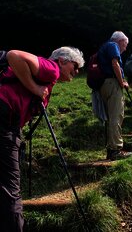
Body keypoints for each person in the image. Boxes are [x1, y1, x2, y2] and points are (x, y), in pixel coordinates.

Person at [0, 46, 84, 232]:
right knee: (10, 189)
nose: (77, 72)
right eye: (75, 66)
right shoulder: (51, 68)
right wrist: (36, 88)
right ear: (62, 60)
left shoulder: (48, 77)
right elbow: (14, 55)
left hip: (8, 123)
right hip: (4, 122)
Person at [97, 31, 132, 160]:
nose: (125, 47)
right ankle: (115, 150)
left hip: (104, 84)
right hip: (112, 83)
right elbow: (115, 64)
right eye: (125, 44)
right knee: (116, 116)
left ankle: (111, 148)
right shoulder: (113, 45)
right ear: (120, 41)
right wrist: (122, 81)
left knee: (111, 116)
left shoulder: (104, 46)